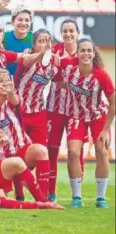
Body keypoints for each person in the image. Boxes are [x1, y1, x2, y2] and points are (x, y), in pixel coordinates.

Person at [0, 69, 51, 201]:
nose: (4, 84)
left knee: (41, 150)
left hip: (20, 149)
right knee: (2, 198)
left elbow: (15, 100)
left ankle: (44, 198)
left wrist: (11, 91)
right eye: (0, 81)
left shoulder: (12, 99)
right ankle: (18, 195)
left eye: (7, 81)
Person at [59, 39, 115, 208]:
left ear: (93, 53)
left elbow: (113, 103)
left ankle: (101, 198)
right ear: (77, 53)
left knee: (101, 151)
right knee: (73, 153)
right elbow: (52, 61)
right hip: (76, 116)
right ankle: (76, 198)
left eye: (89, 50)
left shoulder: (101, 75)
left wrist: (105, 130)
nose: (85, 53)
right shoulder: (69, 67)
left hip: (98, 116)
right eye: (82, 50)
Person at [46, 19, 85, 202]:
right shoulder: (54, 51)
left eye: (71, 31)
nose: (68, 34)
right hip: (54, 108)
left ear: (78, 33)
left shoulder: (84, 52)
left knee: (75, 152)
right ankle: (51, 193)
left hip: (77, 111)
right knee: (51, 151)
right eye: (65, 31)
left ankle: (76, 194)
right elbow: (51, 75)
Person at [3, 4, 33, 77]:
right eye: (20, 20)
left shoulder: (35, 39)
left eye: (27, 20)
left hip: (26, 84)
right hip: (6, 82)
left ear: (30, 22)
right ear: (13, 22)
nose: (23, 23)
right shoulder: (4, 37)